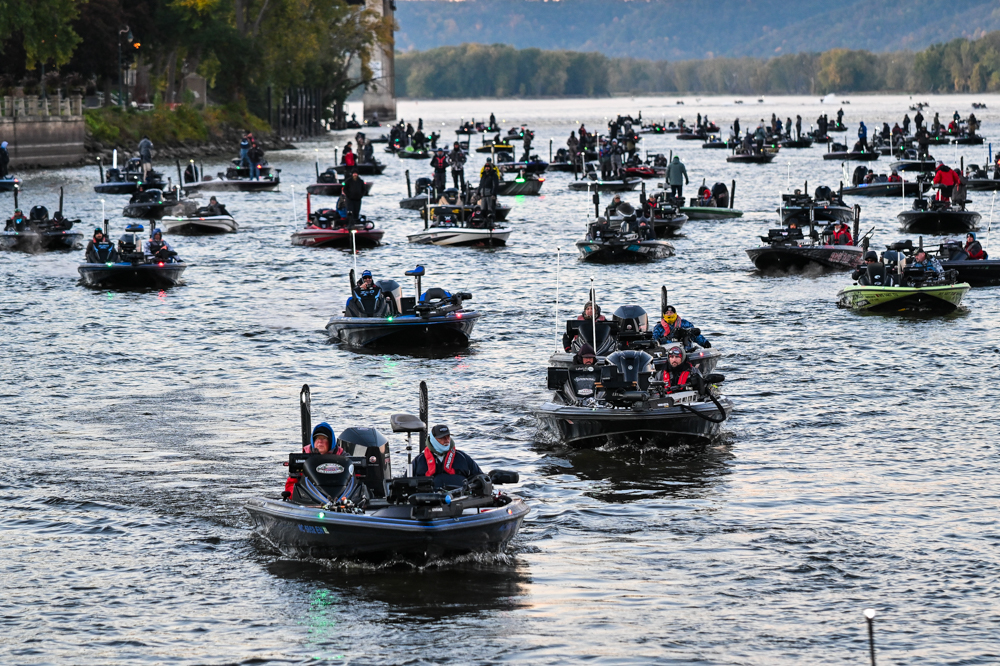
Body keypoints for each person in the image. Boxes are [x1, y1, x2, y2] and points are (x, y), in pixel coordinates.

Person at [412, 424, 483, 490]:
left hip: (460, 496)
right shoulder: (419, 461)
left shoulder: (462, 457)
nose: (446, 440)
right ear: (433, 439)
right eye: (442, 437)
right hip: (428, 497)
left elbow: (480, 477)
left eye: (448, 436)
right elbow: (408, 483)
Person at [284, 422, 347, 495]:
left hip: (338, 493)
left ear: (330, 441)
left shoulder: (343, 456)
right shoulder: (303, 457)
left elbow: (354, 475)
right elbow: (292, 483)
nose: (320, 441)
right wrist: (296, 495)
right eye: (317, 438)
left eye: (324, 438)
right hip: (312, 494)